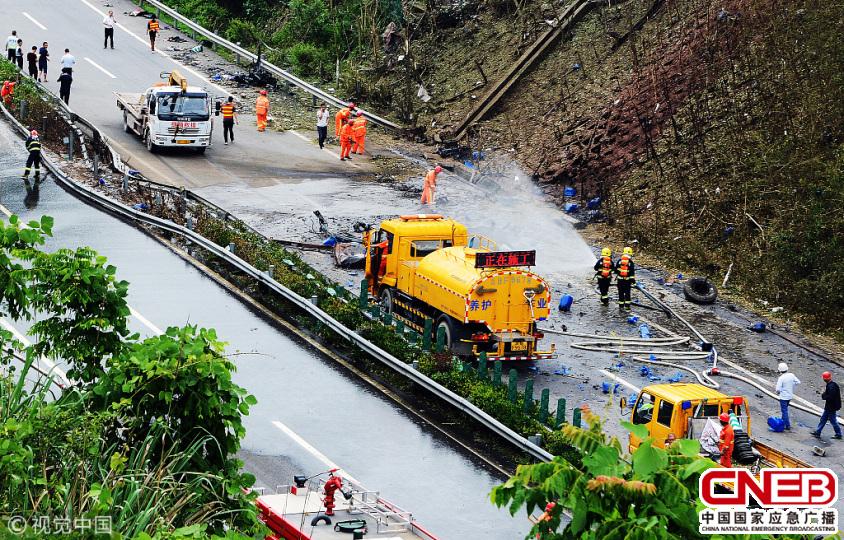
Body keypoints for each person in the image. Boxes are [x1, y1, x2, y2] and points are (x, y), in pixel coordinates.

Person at [812, 371, 842, 439]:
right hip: (831, 406)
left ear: (824, 379)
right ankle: (818, 432)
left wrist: (823, 395)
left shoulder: (831, 386)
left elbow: (830, 397)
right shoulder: (833, 385)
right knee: (823, 419)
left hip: (831, 407)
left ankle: (838, 434)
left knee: (833, 421)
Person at [775, 363, 800, 431]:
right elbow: (798, 382)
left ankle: (787, 425)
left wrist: (778, 392)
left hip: (783, 397)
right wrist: (791, 385)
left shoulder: (781, 378)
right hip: (789, 396)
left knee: (784, 411)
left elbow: (778, 389)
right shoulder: (791, 375)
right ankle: (783, 423)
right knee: (785, 410)